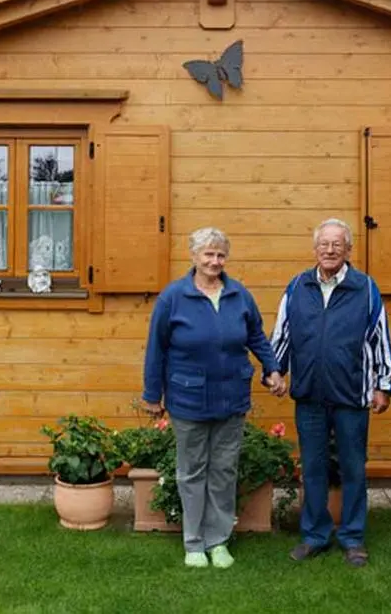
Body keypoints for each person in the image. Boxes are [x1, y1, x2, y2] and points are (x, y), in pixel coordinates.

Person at [142, 226, 286, 569]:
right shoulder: (173, 297)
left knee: (223, 471)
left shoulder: (239, 295)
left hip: (231, 398)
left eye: (220, 255)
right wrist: (152, 394)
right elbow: (156, 349)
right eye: (208, 254)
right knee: (192, 472)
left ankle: (218, 540)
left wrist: (273, 368)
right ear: (193, 256)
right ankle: (194, 543)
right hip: (188, 400)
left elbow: (257, 337)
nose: (215, 261)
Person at [272, 218, 391, 568]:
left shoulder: (365, 288)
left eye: (337, 245)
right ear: (314, 249)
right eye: (324, 244)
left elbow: (380, 339)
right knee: (312, 468)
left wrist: (383, 385)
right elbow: (281, 335)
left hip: (352, 396)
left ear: (348, 250)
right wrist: (276, 371)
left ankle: (353, 538)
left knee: (353, 468)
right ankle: (314, 536)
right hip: (309, 394)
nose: (329, 250)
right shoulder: (297, 287)